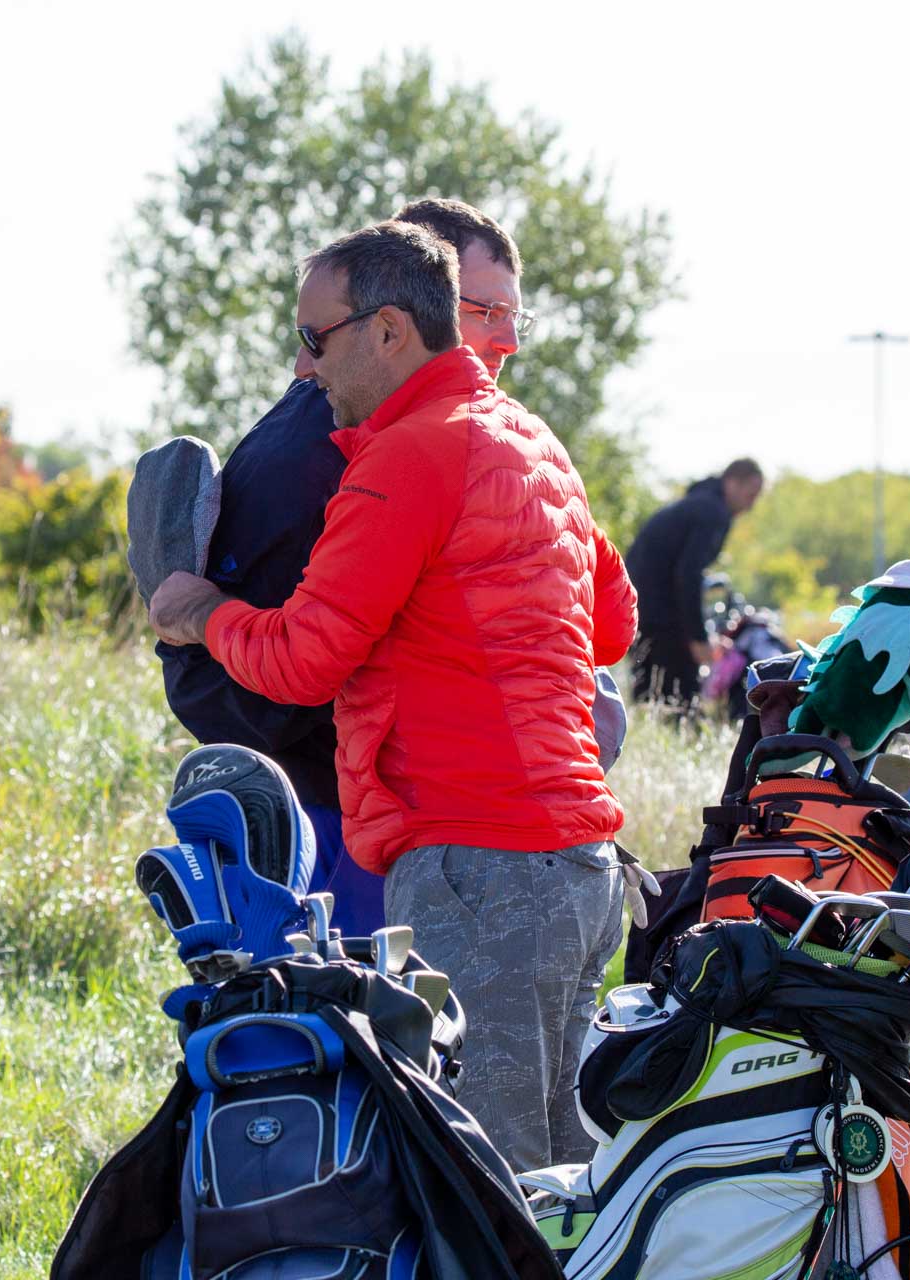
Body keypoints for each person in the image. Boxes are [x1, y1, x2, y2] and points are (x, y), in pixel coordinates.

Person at [148, 221, 637, 1173]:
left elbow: (303, 662)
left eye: (316, 338)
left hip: (477, 862)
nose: (306, 366)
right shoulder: (529, 439)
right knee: (572, 1180)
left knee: (483, 1182)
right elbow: (610, 626)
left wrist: (201, 613)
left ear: (386, 331)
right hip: (580, 868)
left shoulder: (408, 456)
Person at [154, 198, 536, 936]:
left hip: (401, 821)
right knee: (334, 1005)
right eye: (487, 311)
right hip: (336, 821)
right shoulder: (344, 442)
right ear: (406, 310)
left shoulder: (458, 436)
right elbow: (292, 670)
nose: (508, 339)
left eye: (515, 315)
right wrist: (202, 618)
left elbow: (602, 622)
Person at [624, 457, 765, 705]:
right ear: (732, 483)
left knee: (648, 696)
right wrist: (698, 638)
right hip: (660, 614)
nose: (751, 505)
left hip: (636, 607)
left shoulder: (697, 503)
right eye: (750, 495)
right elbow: (688, 575)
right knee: (682, 701)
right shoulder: (713, 511)